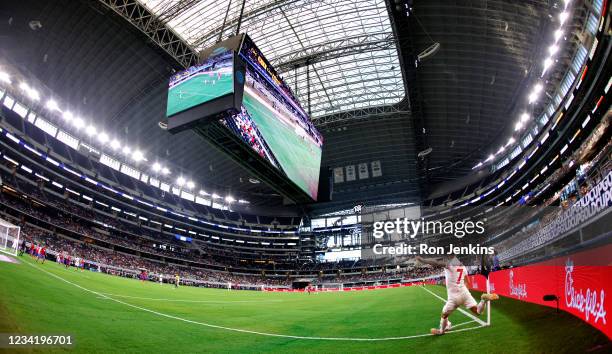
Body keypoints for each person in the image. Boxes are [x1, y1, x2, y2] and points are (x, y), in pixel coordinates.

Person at [415, 255, 498, 335]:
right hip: (464, 293)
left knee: (444, 315)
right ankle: (483, 300)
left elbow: (436, 263)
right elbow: (467, 282)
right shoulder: (462, 266)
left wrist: (423, 260)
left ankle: (441, 331)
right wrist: (466, 293)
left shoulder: (449, 264)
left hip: (453, 297)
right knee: (478, 312)